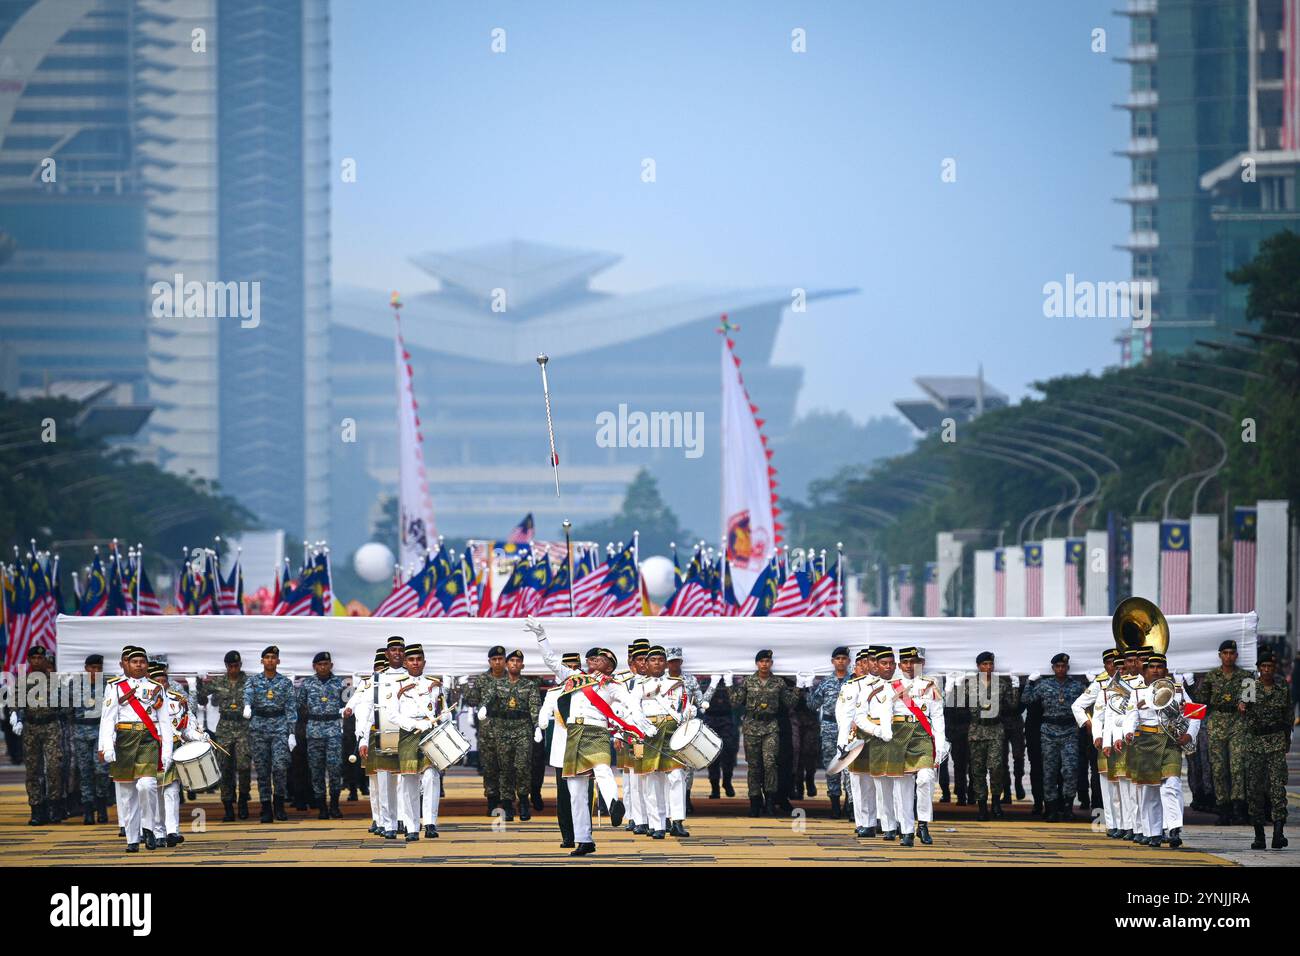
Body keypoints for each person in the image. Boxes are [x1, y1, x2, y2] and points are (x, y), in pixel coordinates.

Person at [528, 618, 652, 857]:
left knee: (602, 768)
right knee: (575, 791)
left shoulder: (613, 685)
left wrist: (640, 723)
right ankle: (584, 839)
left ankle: (613, 804)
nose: (592, 660)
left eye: (599, 658)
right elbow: (552, 661)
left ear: (610, 665)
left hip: (595, 731)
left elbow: (630, 704)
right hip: (573, 735)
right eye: (591, 658)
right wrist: (541, 637)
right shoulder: (575, 678)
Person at [1121, 652, 1203, 848]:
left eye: (1160, 667)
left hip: (1170, 742)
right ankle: (1153, 832)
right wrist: (1128, 733)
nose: (1156, 670)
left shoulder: (1177, 689)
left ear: (1165, 670)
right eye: (1152, 667)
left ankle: (1174, 828)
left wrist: (1189, 735)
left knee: (1172, 785)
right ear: (1145, 670)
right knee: (1150, 791)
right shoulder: (1137, 692)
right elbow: (1130, 716)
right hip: (1146, 742)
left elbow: (1197, 712)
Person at [97, 646, 174, 852]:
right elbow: (107, 718)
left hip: (148, 740)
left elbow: (165, 721)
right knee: (127, 794)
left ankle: (148, 827)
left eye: (142, 662)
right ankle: (132, 839)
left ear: (147, 665)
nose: (139, 665)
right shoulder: (115, 686)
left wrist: (167, 751)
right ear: (126, 665)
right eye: (134, 662)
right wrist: (105, 746)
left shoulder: (156, 687)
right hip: (124, 739)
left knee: (147, 786)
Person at [634, 645, 695, 838]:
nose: (657, 663)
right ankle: (657, 824)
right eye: (653, 660)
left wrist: (688, 713)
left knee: (677, 777)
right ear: (646, 663)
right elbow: (633, 711)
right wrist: (644, 727)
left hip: (672, 733)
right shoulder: (640, 686)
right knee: (652, 780)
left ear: (665, 663)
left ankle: (677, 821)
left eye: (661, 660)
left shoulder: (676, 683)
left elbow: (683, 706)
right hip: (650, 733)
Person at [386, 643, 444, 841]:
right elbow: (393, 715)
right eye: (411, 659)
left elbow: (442, 712)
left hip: (430, 734)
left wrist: (442, 724)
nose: (415, 663)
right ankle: (411, 827)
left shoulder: (435, 684)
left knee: (431, 777)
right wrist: (414, 724)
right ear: (405, 662)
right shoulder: (397, 685)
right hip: (409, 735)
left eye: (419, 659)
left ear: (424, 662)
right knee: (409, 780)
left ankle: (430, 822)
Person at [1021, 653, 1087, 822]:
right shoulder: (1044, 685)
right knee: (1049, 771)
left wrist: (1091, 684)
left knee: (1070, 770)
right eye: (1057, 666)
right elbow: (1026, 699)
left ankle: (1067, 806)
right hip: (1049, 731)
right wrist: (1029, 682)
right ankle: (1050, 807)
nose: (1060, 669)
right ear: (1053, 668)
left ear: (1068, 668)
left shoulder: (1077, 686)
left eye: (1063, 666)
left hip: (1070, 730)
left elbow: (1092, 700)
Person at [733, 649, 797, 816]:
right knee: (754, 766)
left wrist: (799, 687)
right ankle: (755, 801)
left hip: (770, 727)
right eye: (761, 661)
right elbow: (735, 702)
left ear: (771, 664)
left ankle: (770, 800)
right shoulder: (748, 682)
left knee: (770, 764)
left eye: (767, 661)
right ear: (757, 663)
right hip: (751, 726)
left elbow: (790, 702)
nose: (764, 664)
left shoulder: (778, 683)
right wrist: (728, 684)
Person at [150, 661, 206, 847]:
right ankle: (158, 832)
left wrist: (200, 736)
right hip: (151, 751)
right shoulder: (143, 705)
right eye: (156, 681)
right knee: (154, 793)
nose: (161, 685)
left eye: (163, 681)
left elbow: (187, 728)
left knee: (172, 791)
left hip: (172, 751)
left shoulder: (177, 702)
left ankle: (173, 831)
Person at [1196, 639, 1250, 824]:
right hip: (1217, 724)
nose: (1228, 657)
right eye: (1225, 653)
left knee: (1237, 767)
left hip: (1237, 724)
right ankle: (1223, 807)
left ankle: (1238, 806)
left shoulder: (1246, 676)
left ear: (1236, 655)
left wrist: (1246, 704)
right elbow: (1202, 700)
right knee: (1218, 769)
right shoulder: (1211, 676)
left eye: (1231, 653)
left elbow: (1252, 700)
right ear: (1220, 656)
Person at [896, 647, 946, 845]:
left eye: (914, 662)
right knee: (902, 786)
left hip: (923, 738)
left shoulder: (930, 686)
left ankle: (923, 824)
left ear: (921, 664)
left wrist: (940, 745)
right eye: (906, 662)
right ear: (900, 665)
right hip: (899, 739)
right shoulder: (892, 686)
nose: (910, 666)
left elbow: (938, 717)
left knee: (925, 779)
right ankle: (907, 830)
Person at [242, 645, 297, 823]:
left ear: (278, 661)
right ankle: (265, 807)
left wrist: (291, 733)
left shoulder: (285, 683)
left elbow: (290, 708)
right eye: (267, 657)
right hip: (259, 726)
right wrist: (247, 706)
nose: (270, 660)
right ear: (262, 661)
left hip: (280, 726)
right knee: (262, 769)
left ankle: (279, 805)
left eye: (273, 657)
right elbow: (248, 694)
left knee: (280, 767)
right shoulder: (253, 681)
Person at [1242, 648, 1291, 850]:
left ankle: (1278, 833)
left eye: (1270, 666)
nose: (1267, 670)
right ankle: (1259, 835)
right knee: (1255, 790)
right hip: (1255, 743)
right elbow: (1242, 705)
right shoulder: (1250, 686)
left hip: (1276, 742)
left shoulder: (1282, 690)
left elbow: (1288, 717)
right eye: (1263, 667)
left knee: (1278, 788)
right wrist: (1242, 704)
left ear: (1274, 668)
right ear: (1258, 669)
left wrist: (1287, 739)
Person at [14, 645, 68, 825]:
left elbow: (65, 703)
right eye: (34, 658)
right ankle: (37, 809)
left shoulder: (54, 680)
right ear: (29, 660)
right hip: (31, 727)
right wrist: (16, 716)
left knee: (53, 768)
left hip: (51, 726)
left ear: (45, 659)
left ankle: (54, 807)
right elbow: (15, 701)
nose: (37, 661)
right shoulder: (22, 681)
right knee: (33, 770)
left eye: (40, 658)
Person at [196, 650, 252, 821]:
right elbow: (202, 699)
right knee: (224, 767)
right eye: (230, 666)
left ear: (240, 665)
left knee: (243, 766)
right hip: (225, 727)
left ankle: (243, 799)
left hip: (243, 726)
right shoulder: (219, 681)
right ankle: (228, 805)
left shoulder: (249, 682)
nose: (233, 669)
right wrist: (198, 684)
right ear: (226, 666)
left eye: (236, 665)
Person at [536, 651, 585, 848]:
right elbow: (545, 712)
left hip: (582, 748)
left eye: (575, 667)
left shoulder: (586, 690)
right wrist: (540, 724)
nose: (572, 672)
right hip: (561, 750)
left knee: (581, 794)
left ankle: (583, 834)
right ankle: (567, 835)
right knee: (564, 795)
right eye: (568, 668)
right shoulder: (554, 693)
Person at [1072, 649, 1121, 836]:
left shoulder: (1131, 679)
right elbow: (1077, 705)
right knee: (1100, 778)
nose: (1114, 666)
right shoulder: (1100, 683)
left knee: (1124, 780)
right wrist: (1088, 724)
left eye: (1117, 662)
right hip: (1102, 737)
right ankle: (1101, 816)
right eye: (1110, 663)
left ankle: (1125, 822)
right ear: (1105, 665)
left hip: (1124, 736)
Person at [492, 649, 541, 821]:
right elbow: (489, 705)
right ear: (506, 664)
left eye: (518, 661)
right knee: (505, 769)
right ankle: (507, 804)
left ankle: (524, 803)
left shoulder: (529, 686)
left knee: (522, 767)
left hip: (523, 730)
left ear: (522, 665)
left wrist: (537, 727)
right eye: (511, 660)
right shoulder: (497, 685)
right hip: (502, 730)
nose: (514, 663)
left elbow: (535, 708)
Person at [964, 651, 1014, 820]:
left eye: (990, 664)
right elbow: (955, 704)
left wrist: (1015, 685)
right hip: (977, 731)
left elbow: (1013, 705)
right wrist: (952, 687)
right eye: (984, 664)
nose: (988, 667)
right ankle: (982, 806)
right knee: (977, 770)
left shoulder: (1001, 684)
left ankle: (996, 803)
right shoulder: (969, 684)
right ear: (978, 666)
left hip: (995, 731)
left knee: (996, 768)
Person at [298, 651, 347, 819]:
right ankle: (322, 807)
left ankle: (334, 804)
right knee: (316, 770)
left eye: (326, 664)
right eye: (320, 664)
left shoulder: (340, 683)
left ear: (331, 665)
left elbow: (346, 705)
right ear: (314, 666)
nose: (323, 667)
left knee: (335, 769)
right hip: (314, 730)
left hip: (333, 730)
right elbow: (300, 705)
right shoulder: (307, 684)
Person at [344, 649, 389, 834]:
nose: (381, 672)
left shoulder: (393, 683)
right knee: (375, 782)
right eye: (378, 668)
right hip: (369, 736)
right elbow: (354, 702)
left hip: (390, 735)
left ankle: (396, 819)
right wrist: (347, 709)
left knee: (395, 782)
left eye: (384, 668)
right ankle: (377, 819)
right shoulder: (366, 684)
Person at [461, 644, 508, 815]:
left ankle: (507, 800)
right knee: (489, 768)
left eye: (500, 659)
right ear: (489, 661)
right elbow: (473, 700)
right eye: (494, 659)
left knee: (508, 768)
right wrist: (465, 686)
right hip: (487, 733)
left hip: (509, 731)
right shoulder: (482, 679)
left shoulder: (512, 678)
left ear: (505, 660)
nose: (497, 662)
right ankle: (492, 800)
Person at [807, 646, 852, 818]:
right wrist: (809, 687)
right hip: (829, 727)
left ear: (848, 661)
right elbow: (812, 705)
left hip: (848, 729)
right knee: (832, 765)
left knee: (849, 767)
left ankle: (850, 804)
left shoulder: (854, 681)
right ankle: (834, 804)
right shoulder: (825, 682)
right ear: (832, 661)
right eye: (837, 658)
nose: (840, 661)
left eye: (843, 658)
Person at [666, 647, 708, 811]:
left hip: (686, 727)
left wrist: (712, 687)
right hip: (667, 727)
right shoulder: (660, 680)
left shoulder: (690, 680)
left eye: (677, 661)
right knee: (667, 765)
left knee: (688, 765)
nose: (674, 664)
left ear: (681, 661)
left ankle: (686, 797)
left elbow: (701, 702)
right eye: (671, 661)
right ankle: (670, 799)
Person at [72, 654, 111, 825]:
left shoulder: (108, 686)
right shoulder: (74, 686)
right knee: (85, 772)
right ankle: (88, 810)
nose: (95, 671)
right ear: (86, 668)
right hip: (80, 732)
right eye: (92, 668)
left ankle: (102, 805)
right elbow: (65, 710)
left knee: (101, 770)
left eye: (98, 668)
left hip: (100, 732)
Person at [704, 676, 738, 798]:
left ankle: (727, 782)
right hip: (710, 717)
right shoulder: (708, 679)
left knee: (729, 751)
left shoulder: (730, 679)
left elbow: (736, 700)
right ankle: (715, 788)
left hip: (727, 718)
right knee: (711, 753)